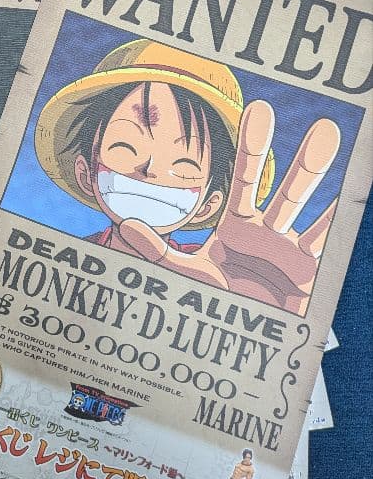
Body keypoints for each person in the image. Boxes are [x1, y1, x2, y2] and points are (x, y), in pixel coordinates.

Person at [35, 38, 341, 313]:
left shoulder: (214, 274)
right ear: (85, 173)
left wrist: (267, 311)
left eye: (183, 165)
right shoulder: (61, 260)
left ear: (208, 205)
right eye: (125, 146)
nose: (150, 168)